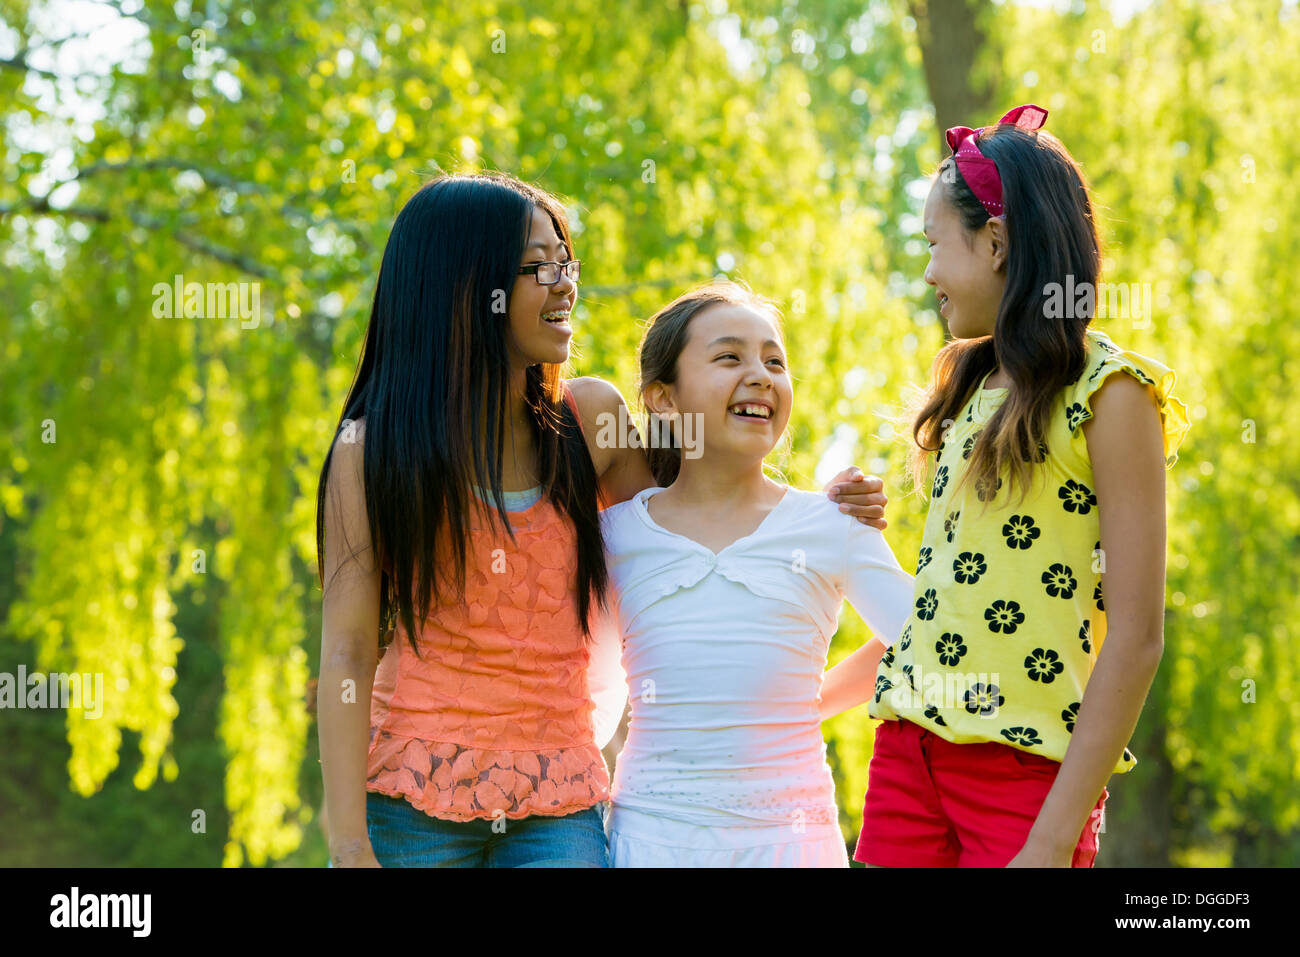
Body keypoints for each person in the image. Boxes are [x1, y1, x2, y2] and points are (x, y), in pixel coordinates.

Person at [315, 172, 888, 867]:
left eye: (567, 264)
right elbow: (346, 651)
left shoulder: (590, 422)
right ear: (462, 285)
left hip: (558, 808)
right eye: (537, 267)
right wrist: (349, 843)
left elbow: (701, 510)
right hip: (408, 804)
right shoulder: (372, 451)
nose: (564, 286)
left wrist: (822, 514)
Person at [854, 105, 1190, 868]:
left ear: (997, 244)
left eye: (937, 246)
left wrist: (1049, 841)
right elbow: (952, 592)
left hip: (1026, 774)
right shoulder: (964, 386)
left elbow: (1136, 637)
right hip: (908, 751)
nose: (930, 272)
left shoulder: (1113, 394)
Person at [601, 281, 916, 867]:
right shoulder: (615, 536)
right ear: (663, 399)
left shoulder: (832, 522)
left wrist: (802, 702)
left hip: (792, 844)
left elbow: (927, 638)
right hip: (649, 842)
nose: (760, 375)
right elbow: (579, 684)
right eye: (729, 357)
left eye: (775, 361)